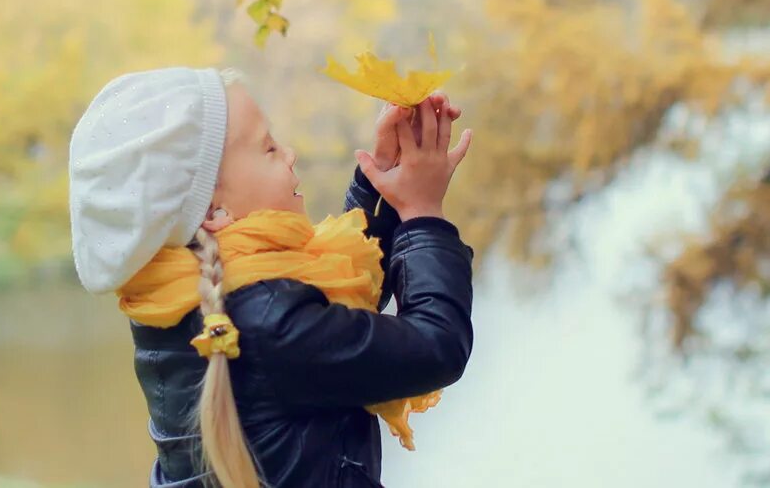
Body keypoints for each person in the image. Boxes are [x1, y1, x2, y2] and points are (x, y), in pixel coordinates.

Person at [68, 66, 475, 487]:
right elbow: (436, 346)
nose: (290, 152)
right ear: (213, 212)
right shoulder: (272, 324)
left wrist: (382, 187)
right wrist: (423, 214)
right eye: (268, 148)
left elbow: (341, 303)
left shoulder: (184, 292)